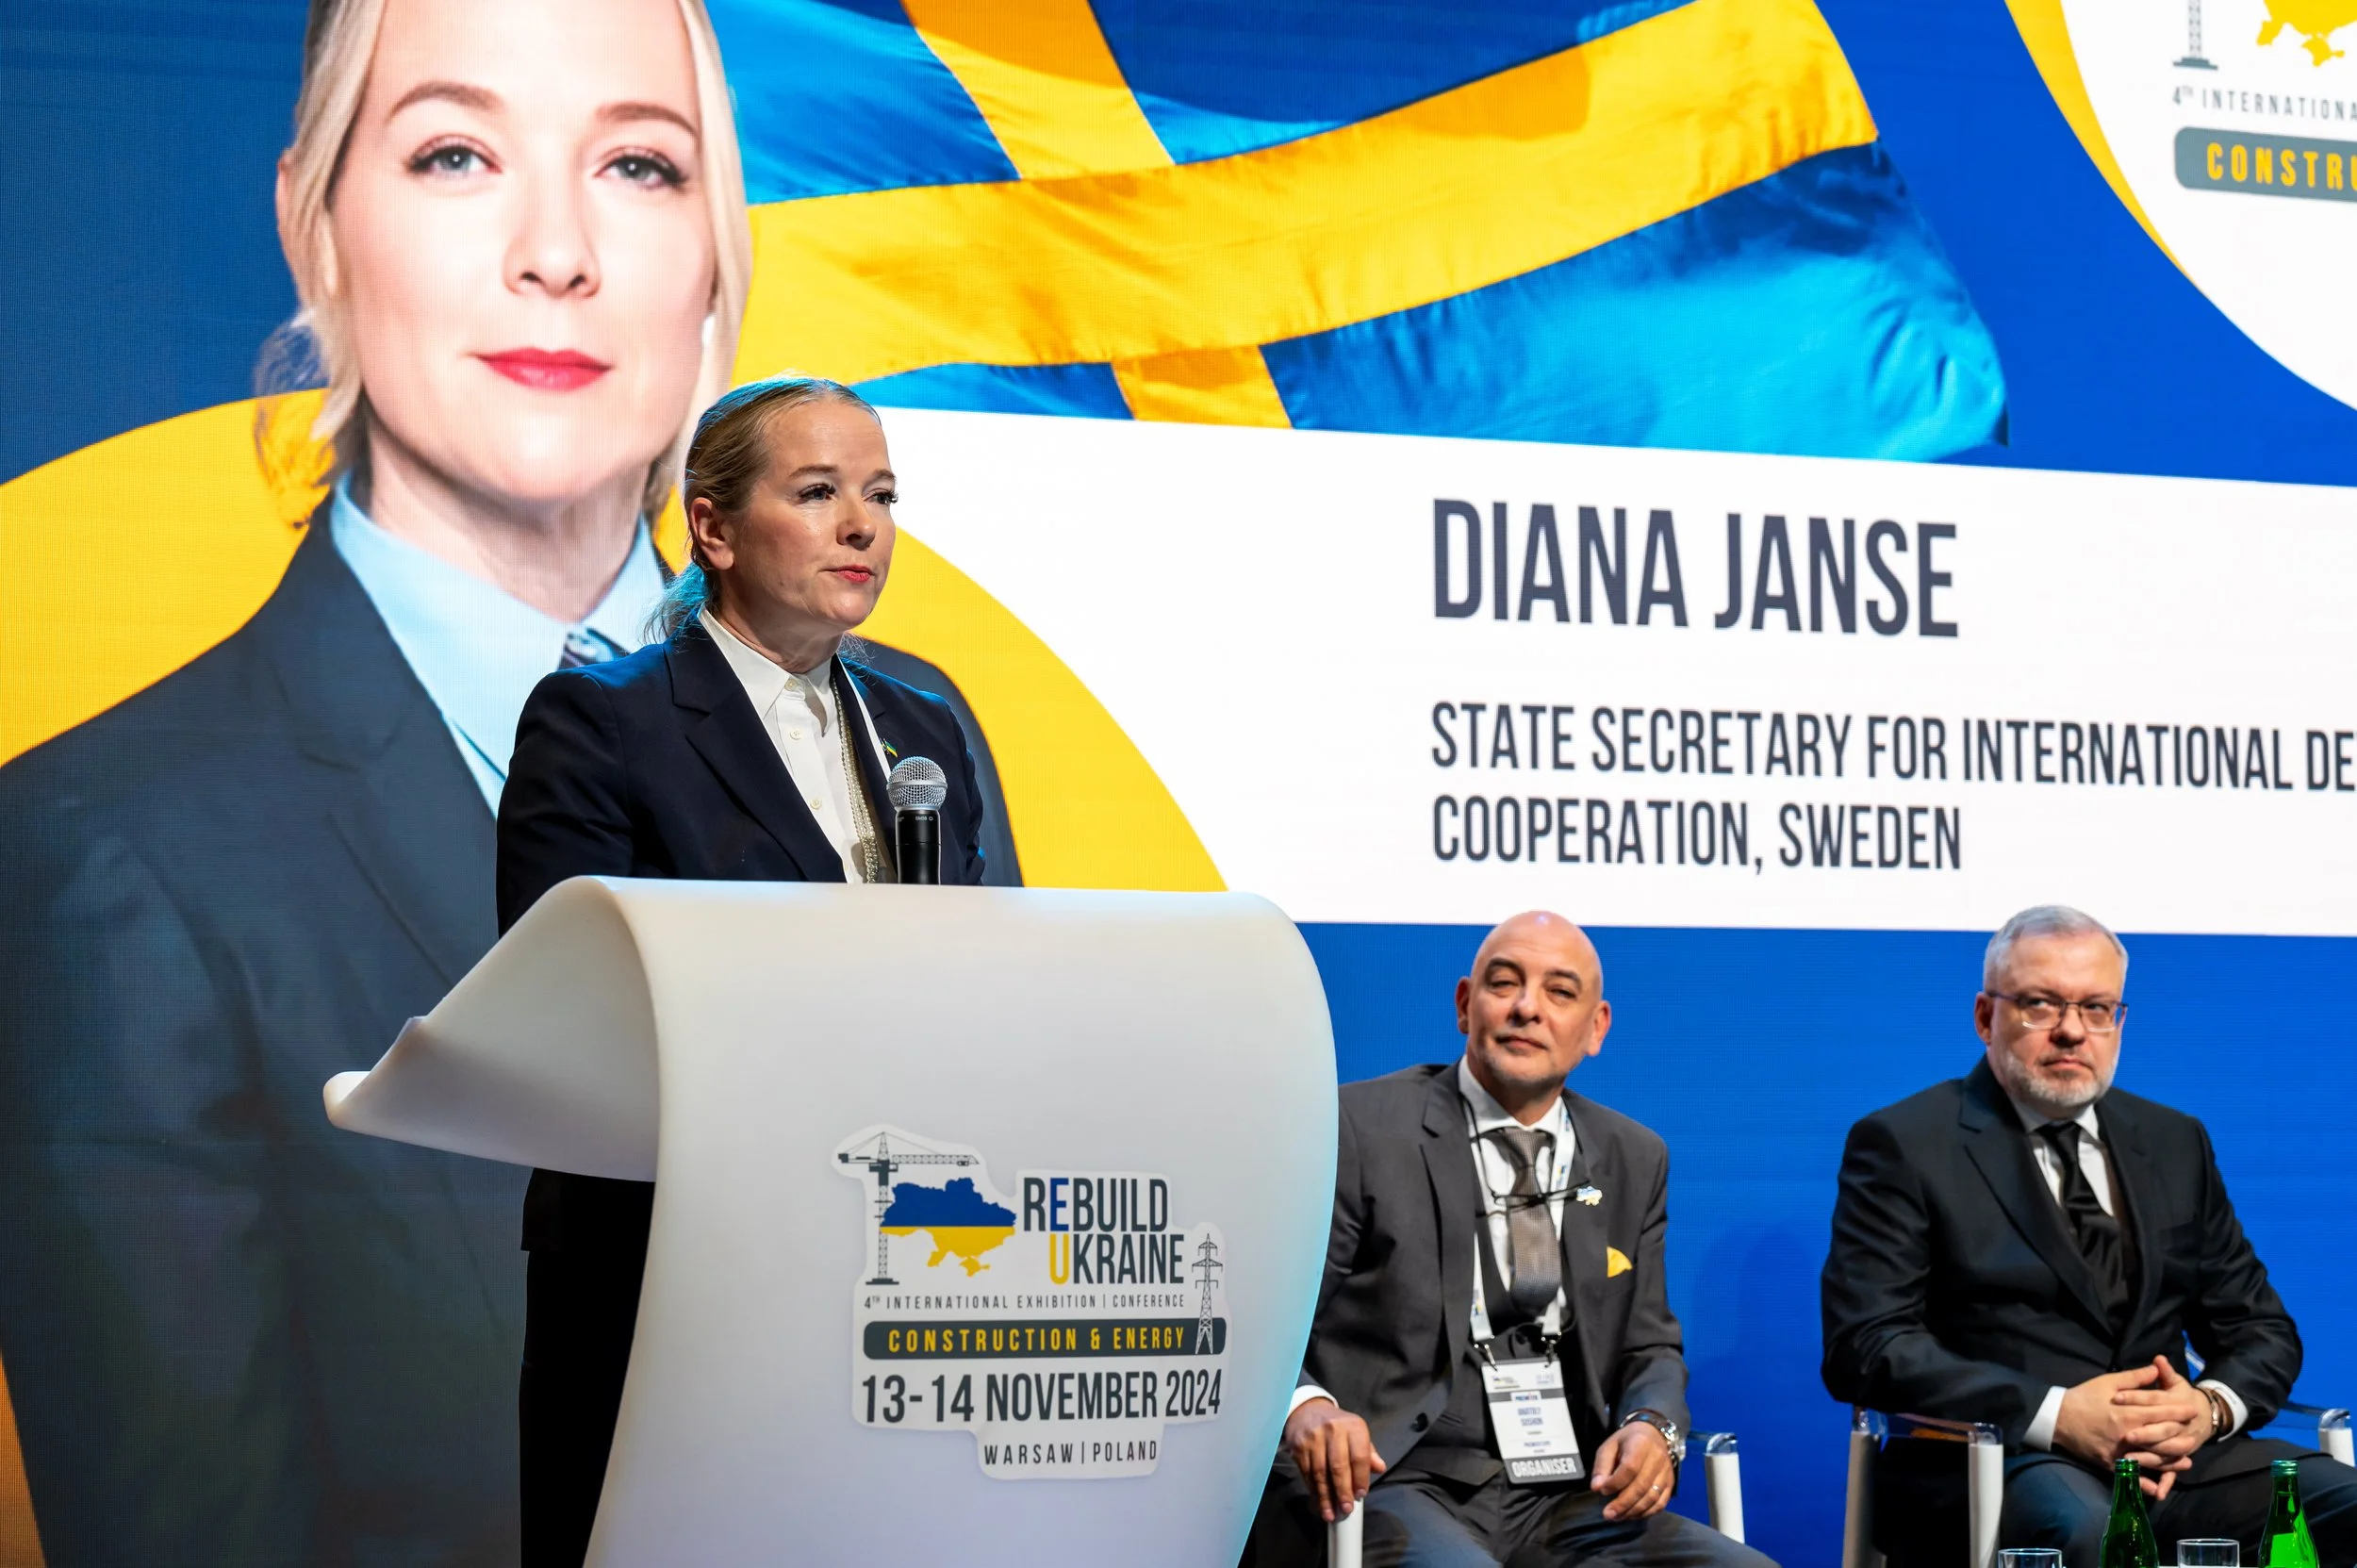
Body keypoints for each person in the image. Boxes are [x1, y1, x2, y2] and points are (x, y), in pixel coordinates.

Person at [0, 0, 1002, 1560]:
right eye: (457, 151)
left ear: (720, 261)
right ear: (315, 225)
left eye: (640, 168)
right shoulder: (102, 847)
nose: (557, 251)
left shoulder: (918, 716)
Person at [498, 372, 990, 1565]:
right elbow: (565, 1001)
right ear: (711, 529)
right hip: (671, 1257)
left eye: (878, 494)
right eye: (817, 491)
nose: (861, 525)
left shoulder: (926, 729)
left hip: (886, 1255)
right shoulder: (603, 719)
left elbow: (990, 977)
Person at [1821, 904, 2357, 1567]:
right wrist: (2058, 1412)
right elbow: (1866, 1345)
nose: (2073, 1031)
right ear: (1986, 1016)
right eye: (2042, 1004)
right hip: (2002, 1455)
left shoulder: (2173, 1139)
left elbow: (2262, 1331)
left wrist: (2206, 1408)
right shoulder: (1907, 1142)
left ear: (2119, 1020)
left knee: (2345, 1502)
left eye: (2098, 1007)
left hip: (2178, 1460)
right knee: (2093, 1534)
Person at [1246, 912, 1773, 1568]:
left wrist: (1652, 1425)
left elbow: (1649, 1345)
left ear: (1596, 1027)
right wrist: (1308, 1407)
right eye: (1505, 983)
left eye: (1560, 991)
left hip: (1566, 1496)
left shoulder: (1633, 1156)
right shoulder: (1361, 1128)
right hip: (1392, 1479)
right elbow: (1262, 1327)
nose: (1528, 1007)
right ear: (1466, 1005)